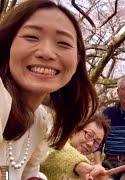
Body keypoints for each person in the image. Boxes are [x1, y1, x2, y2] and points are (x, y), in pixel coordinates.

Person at [0, 0, 99, 179]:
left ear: (77, 61)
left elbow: (22, 174)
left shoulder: (39, 121)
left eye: (63, 43)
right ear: (8, 46)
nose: (46, 52)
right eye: (31, 37)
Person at [41, 114, 125, 180]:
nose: (90, 144)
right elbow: (57, 151)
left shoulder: (88, 175)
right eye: (89, 135)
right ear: (75, 130)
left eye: (97, 142)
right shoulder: (52, 142)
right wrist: (81, 166)